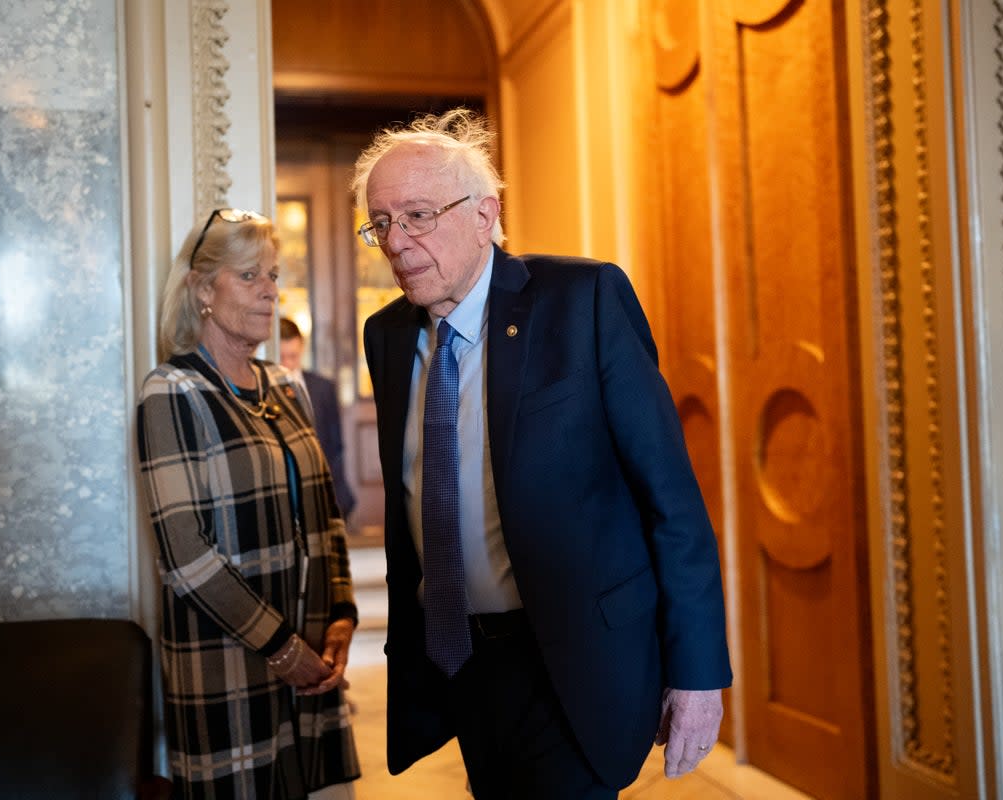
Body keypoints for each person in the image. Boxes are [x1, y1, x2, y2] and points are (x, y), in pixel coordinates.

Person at [353, 109, 732, 799]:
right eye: (379, 223)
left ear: (483, 213)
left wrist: (699, 671)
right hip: (460, 661)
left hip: (570, 654)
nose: (396, 242)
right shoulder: (387, 335)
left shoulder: (582, 301)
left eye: (417, 215)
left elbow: (670, 498)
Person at [136, 207, 360, 800]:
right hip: (228, 670)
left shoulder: (288, 386)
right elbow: (185, 554)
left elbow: (324, 513)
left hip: (313, 664)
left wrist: (340, 616)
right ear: (204, 289)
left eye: (274, 275)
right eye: (250, 277)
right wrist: (282, 648)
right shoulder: (172, 390)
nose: (270, 292)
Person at [278, 317, 357, 522]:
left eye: (292, 356)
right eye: (281, 357)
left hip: (323, 494)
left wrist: (337, 497)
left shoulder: (323, 388)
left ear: (301, 348)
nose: (287, 364)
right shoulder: (263, 388)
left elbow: (335, 445)